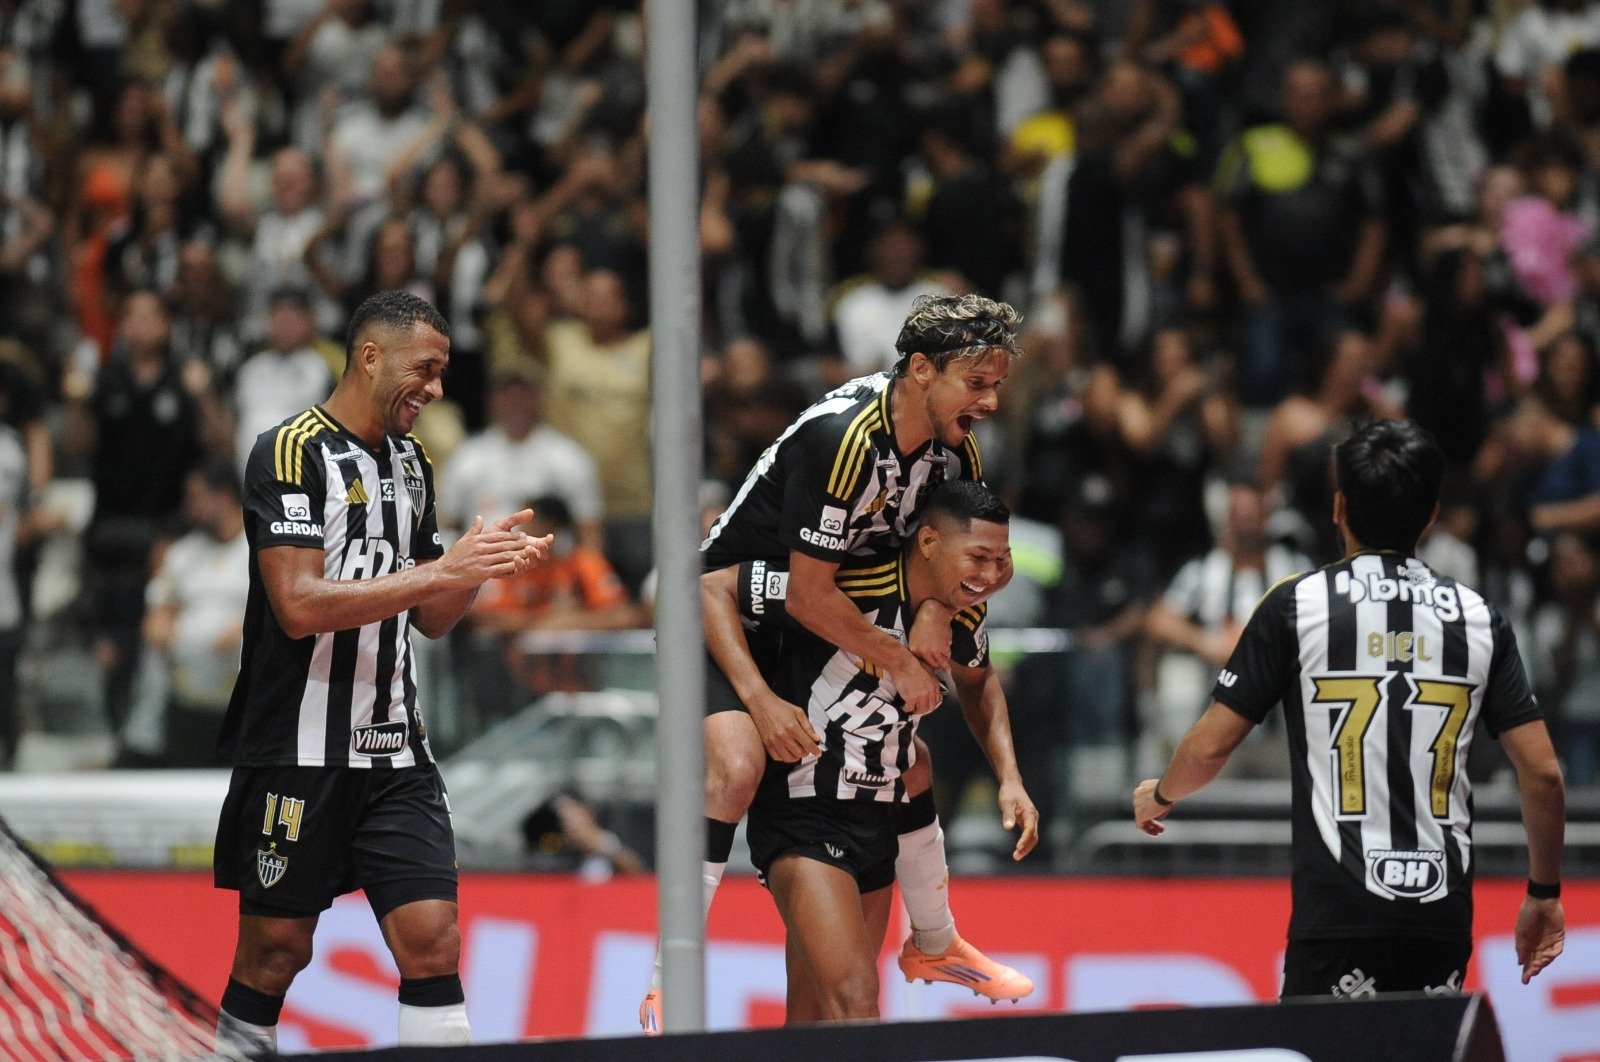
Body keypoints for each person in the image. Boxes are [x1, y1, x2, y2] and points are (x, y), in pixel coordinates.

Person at [641, 292, 1036, 1032]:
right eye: (977, 383)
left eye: (997, 384)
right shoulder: (845, 439)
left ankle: (938, 939)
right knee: (737, 763)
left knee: (904, 760)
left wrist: (935, 609)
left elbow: (958, 560)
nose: (990, 401)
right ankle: (673, 971)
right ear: (921, 370)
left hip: (812, 613)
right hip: (723, 607)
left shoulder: (956, 450)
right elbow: (807, 595)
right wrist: (774, 695)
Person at [211, 291, 549, 1052]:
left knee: (434, 942)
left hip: (396, 751)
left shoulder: (414, 462)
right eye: (424, 369)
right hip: (296, 750)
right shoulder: (288, 450)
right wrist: (440, 573)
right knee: (276, 951)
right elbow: (297, 605)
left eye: (442, 373)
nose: (433, 388)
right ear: (371, 356)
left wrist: (474, 566)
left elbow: (430, 620)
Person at [1133, 419, 1567, 998]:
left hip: (1336, 914)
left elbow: (1211, 745)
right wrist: (1544, 892)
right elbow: (1542, 774)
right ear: (1431, 515)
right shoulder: (1479, 617)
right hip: (1440, 914)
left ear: (1339, 507)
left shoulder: (1298, 604)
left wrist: (1161, 793)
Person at [709, 480, 1037, 1022]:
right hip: (805, 811)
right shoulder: (835, 585)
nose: (991, 574)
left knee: (812, 1017)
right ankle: (936, 942)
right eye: (979, 557)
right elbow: (710, 587)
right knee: (857, 1000)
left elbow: (978, 684)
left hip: (877, 812)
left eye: (1002, 560)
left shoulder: (962, 611)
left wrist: (1010, 778)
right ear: (928, 542)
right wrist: (759, 700)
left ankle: (937, 942)